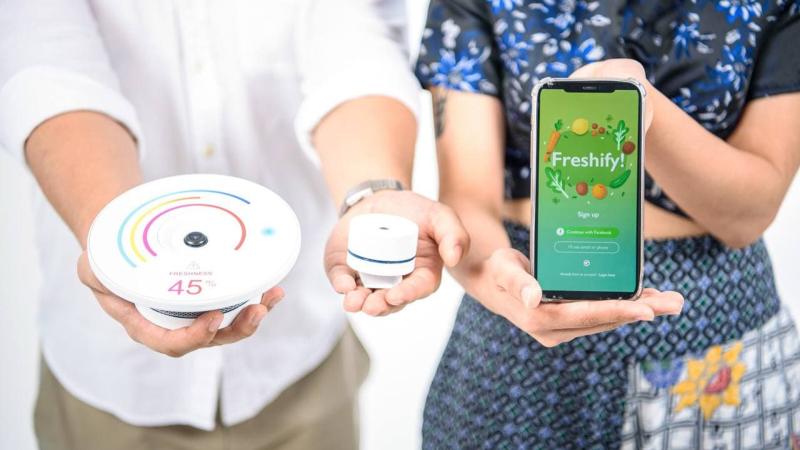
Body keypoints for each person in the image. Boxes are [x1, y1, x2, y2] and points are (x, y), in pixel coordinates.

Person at [0, 1, 475, 449]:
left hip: (301, 357)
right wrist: (119, 250)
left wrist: (372, 196)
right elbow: (48, 62)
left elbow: (354, 36)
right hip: (108, 383)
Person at [415, 0, 800, 448]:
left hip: (712, 350)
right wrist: (495, 275)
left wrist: (642, 112)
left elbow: (748, 216)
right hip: (520, 309)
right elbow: (467, 194)